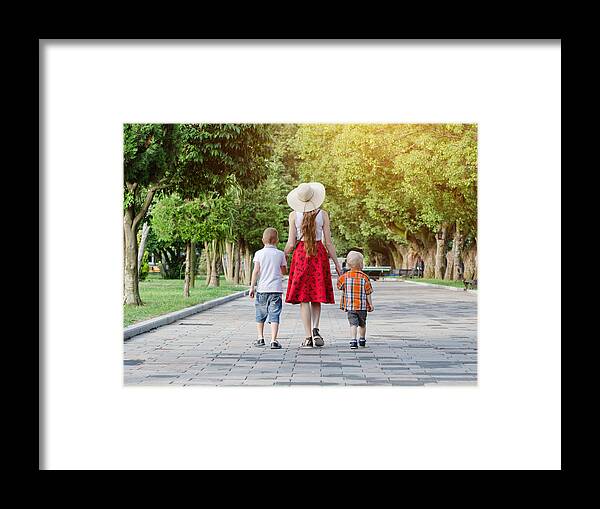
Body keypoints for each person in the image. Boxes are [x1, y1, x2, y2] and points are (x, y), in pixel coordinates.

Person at [284, 182, 343, 348]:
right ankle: (316, 329)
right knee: (316, 295)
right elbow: (329, 243)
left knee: (304, 299)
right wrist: (337, 265)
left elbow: (290, 243)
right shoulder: (323, 214)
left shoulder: (293, 216)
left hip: (301, 255)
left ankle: (308, 336)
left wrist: (280, 257)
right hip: (318, 254)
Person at [249, 227, 287, 349]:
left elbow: (255, 271)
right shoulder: (280, 254)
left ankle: (260, 338)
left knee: (260, 313)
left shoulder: (259, 254)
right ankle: (273, 340)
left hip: (262, 289)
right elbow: (284, 270)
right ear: (277, 240)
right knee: (274, 314)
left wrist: (252, 287)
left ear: (262, 240)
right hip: (276, 289)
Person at [336, 251, 374, 349]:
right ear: (361, 264)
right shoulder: (365, 277)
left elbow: (339, 286)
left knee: (353, 324)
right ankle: (362, 339)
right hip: (362, 307)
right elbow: (368, 292)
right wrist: (370, 304)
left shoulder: (344, 277)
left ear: (348, 265)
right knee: (362, 324)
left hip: (350, 306)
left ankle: (353, 340)